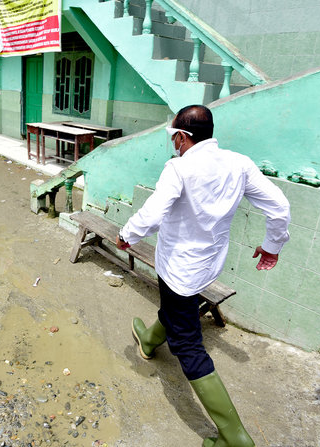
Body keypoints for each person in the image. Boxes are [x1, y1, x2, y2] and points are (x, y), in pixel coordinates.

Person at [116, 105, 290, 447]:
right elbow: (279, 207)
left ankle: (235, 437)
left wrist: (128, 234)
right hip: (207, 265)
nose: (173, 145)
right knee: (176, 310)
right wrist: (272, 245)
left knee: (189, 347)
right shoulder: (240, 163)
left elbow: (154, 211)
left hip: (179, 267)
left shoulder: (178, 168)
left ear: (182, 136)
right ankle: (149, 340)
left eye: (173, 138)